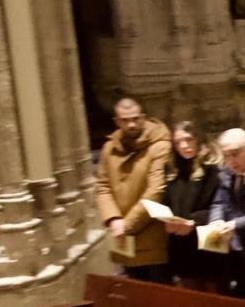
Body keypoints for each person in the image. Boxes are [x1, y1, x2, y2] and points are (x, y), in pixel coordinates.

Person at [94, 97, 173, 276]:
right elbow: (102, 185)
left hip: (151, 233)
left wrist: (127, 225)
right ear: (116, 121)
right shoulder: (109, 148)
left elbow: (156, 191)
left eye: (135, 118)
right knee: (133, 293)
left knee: (159, 293)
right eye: (125, 120)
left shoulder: (159, 145)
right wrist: (113, 219)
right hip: (122, 236)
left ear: (143, 117)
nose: (131, 124)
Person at [161, 122, 222, 290]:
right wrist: (166, 219)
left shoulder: (211, 169)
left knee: (214, 297)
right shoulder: (172, 170)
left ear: (198, 139)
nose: (184, 145)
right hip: (181, 247)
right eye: (178, 142)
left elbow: (219, 205)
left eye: (188, 139)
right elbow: (167, 201)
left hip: (207, 246)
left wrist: (193, 222)